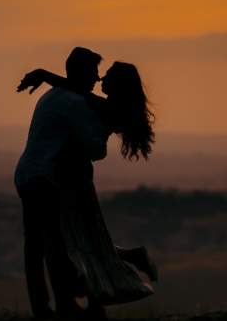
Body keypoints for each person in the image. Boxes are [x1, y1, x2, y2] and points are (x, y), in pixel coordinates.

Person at [18, 61, 158, 317]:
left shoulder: (114, 107)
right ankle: (99, 296)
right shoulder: (110, 105)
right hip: (71, 173)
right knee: (83, 237)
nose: (101, 77)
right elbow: (78, 90)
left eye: (107, 75)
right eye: (99, 73)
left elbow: (80, 92)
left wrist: (43, 74)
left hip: (75, 176)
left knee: (81, 237)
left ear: (118, 83)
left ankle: (93, 299)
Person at [14, 47, 108, 320]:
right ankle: (65, 305)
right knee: (53, 242)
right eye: (94, 72)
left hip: (25, 174)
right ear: (80, 72)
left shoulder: (51, 95)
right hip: (44, 177)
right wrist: (104, 131)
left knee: (34, 245)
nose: (98, 79)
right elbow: (92, 147)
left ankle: (41, 308)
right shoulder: (74, 102)